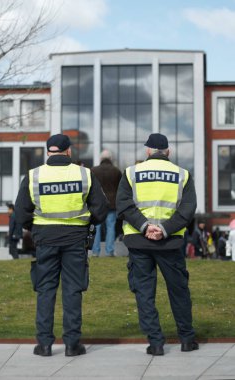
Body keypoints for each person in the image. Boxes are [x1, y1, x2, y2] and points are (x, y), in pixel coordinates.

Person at [15, 134, 109, 357]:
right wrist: (86, 222)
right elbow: (101, 209)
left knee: (45, 290)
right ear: (69, 151)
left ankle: (45, 344)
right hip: (75, 239)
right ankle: (72, 344)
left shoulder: (34, 175)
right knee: (73, 290)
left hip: (45, 240)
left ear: (49, 152)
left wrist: (37, 228)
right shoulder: (84, 174)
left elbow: (20, 213)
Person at [116, 133, 198, 356]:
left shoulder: (131, 173)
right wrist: (164, 229)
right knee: (179, 290)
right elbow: (188, 210)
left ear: (147, 151)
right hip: (170, 242)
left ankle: (156, 342)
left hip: (138, 241)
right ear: (168, 152)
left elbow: (123, 205)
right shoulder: (182, 174)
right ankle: (187, 339)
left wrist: (144, 226)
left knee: (144, 292)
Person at [91, 149, 122, 257]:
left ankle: (95, 251)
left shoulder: (94, 170)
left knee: (97, 227)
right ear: (111, 159)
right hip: (112, 204)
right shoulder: (116, 171)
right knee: (111, 226)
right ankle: (110, 251)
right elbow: (120, 188)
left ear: (101, 158)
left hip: (98, 204)